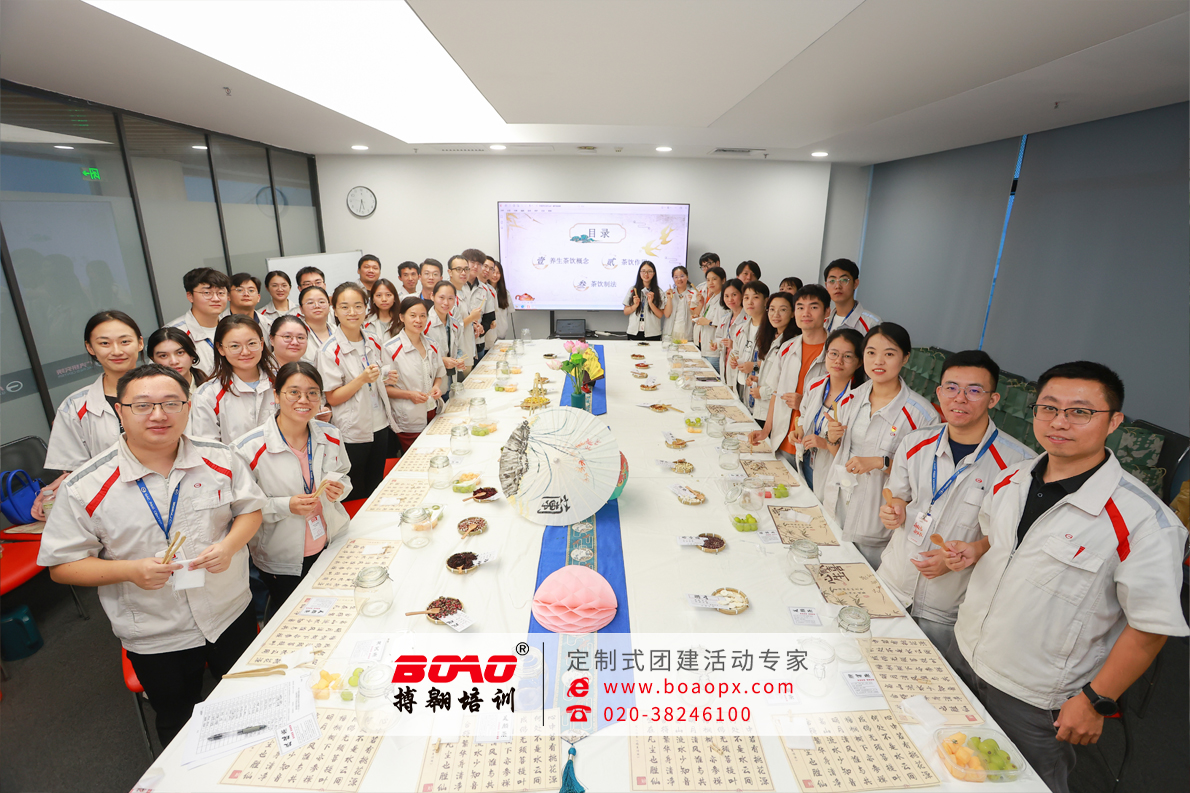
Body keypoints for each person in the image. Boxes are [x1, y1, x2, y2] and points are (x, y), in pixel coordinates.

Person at [944, 361, 1188, 793]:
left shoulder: (1144, 521)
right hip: (964, 651)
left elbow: (1150, 627)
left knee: (1022, 783)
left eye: (1080, 412)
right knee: (953, 765)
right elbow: (1000, 540)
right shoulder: (1010, 479)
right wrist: (976, 549)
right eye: (1049, 408)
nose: (1059, 421)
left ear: (1114, 421)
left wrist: (1095, 700)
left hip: (1034, 695)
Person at [38, 363, 265, 746]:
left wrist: (229, 546)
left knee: (248, 699)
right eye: (143, 405)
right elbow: (62, 566)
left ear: (188, 407)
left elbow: (250, 510)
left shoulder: (220, 458)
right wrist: (129, 571)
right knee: (178, 718)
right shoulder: (85, 486)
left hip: (228, 609)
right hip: (157, 631)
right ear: (120, 411)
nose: (159, 415)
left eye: (171, 403)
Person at [877, 350, 1033, 657]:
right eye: (951, 387)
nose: (959, 398)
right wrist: (894, 508)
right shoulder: (915, 442)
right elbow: (898, 494)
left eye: (974, 390)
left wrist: (972, 552)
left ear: (993, 399)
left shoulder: (1018, 465)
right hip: (894, 580)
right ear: (939, 392)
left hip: (948, 606)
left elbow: (1013, 538)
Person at [232, 361, 350, 617]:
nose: (303, 400)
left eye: (312, 393)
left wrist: (340, 489)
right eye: (294, 392)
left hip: (330, 541)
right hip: (282, 556)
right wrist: (287, 505)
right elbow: (242, 510)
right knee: (293, 614)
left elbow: (344, 474)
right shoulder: (247, 449)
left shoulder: (331, 434)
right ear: (276, 395)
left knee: (333, 608)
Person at [821, 323, 939, 568]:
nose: (878, 361)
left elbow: (924, 478)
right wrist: (832, 439)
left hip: (876, 526)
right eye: (871, 352)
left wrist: (881, 462)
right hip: (836, 507)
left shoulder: (922, 416)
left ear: (905, 358)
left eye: (889, 354)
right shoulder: (851, 397)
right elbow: (838, 454)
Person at [36, 310, 145, 519]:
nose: (116, 351)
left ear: (140, 343)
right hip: (111, 509)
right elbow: (75, 471)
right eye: (104, 343)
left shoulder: (173, 393)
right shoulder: (74, 406)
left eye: (125, 341)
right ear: (90, 348)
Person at [316, 283, 395, 500]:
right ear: (335, 310)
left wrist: (386, 376)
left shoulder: (373, 339)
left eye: (358, 306)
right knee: (355, 490)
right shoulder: (328, 351)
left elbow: (377, 375)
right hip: (353, 430)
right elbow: (332, 397)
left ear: (366, 308)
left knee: (377, 486)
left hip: (380, 424)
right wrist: (361, 379)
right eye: (345, 307)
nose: (352, 312)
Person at [752, 285, 831, 460]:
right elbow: (775, 392)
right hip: (783, 440)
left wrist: (804, 403)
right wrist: (766, 430)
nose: (806, 313)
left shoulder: (834, 353)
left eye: (814, 307)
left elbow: (841, 402)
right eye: (800, 307)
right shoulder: (787, 348)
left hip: (814, 446)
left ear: (827, 311)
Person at [793, 328, 865, 495]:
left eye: (847, 356)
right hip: (807, 462)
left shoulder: (860, 400)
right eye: (833, 354)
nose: (838, 361)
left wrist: (825, 444)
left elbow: (857, 451)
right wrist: (799, 430)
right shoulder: (815, 384)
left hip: (835, 475)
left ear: (859, 362)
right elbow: (804, 415)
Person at [190, 315, 278, 444]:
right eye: (235, 346)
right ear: (221, 349)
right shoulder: (207, 396)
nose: (245, 352)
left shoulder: (283, 382)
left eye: (252, 343)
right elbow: (209, 448)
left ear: (262, 344)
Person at [383, 297, 446, 451]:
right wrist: (410, 395)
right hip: (409, 416)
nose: (418, 320)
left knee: (436, 451)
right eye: (413, 315)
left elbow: (439, 374)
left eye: (423, 316)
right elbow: (385, 388)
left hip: (432, 409)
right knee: (417, 456)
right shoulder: (390, 349)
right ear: (402, 317)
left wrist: (436, 387)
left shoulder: (432, 345)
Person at [166, 267, 230, 376]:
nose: (216, 298)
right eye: (207, 292)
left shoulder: (233, 327)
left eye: (221, 293)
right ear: (190, 296)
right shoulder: (172, 334)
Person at [270, 315, 332, 423]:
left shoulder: (313, 368)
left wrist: (325, 411)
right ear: (272, 339)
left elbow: (323, 401)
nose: (295, 342)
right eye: (287, 337)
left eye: (301, 338)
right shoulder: (258, 370)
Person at [745, 291, 795, 422]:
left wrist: (763, 392)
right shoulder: (771, 337)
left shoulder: (793, 344)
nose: (775, 314)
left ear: (793, 313)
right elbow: (772, 373)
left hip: (776, 411)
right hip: (762, 408)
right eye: (772, 309)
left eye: (783, 310)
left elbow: (788, 383)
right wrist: (758, 378)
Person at [727, 281, 769, 405]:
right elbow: (736, 351)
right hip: (741, 384)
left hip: (760, 389)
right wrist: (734, 359)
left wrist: (754, 366)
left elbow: (775, 363)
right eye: (746, 298)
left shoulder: (771, 331)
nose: (749, 302)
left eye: (755, 297)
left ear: (766, 301)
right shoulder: (742, 328)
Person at [424, 281, 466, 398]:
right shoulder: (424, 324)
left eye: (450, 298)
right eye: (441, 298)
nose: (446, 303)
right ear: (432, 296)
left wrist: (459, 360)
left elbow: (459, 349)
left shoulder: (455, 323)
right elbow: (420, 355)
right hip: (432, 383)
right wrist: (442, 360)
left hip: (451, 380)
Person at [823, 258, 880, 333]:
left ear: (855, 283)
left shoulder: (872, 324)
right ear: (826, 286)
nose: (837, 286)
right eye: (832, 281)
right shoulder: (822, 322)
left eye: (844, 280)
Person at [147, 327, 207, 396]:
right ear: (153, 359)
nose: (174, 361)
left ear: (192, 354)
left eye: (180, 353)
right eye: (163, 356)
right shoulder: (148, 394)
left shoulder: (211, 388)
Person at [446, 255, 481, 368]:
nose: (463, 273)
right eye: (458, 269)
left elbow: (463, 318)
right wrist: (471, 318)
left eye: (466, 269)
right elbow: (450, 327)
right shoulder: (447, 295)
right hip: (457, 356)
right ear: (450, 272)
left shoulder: (464, 290)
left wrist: (473, 325)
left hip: (468, 349)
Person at [693, 266, 727, 371]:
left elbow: (725, 325)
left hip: (715, 352)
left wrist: (708, 322)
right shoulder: (712, 298)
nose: (710, 282)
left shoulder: (724, 300)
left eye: (714, 279)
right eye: (708, 280)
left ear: (723, 280)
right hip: (706, 348)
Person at [623, 261, 665, 340]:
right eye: (643, 271)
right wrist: (635, 305)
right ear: (639, 273)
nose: (646, 274)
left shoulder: (659, 292)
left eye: (649, 271)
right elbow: (626, 312)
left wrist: (651, 303)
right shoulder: (633, 290)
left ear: (654, 273)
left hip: (652, 333)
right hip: (634, 332)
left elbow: (660, 315)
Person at [712, 278, 746, 375]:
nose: (730, 299)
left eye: (734, 295)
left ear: (742, 295)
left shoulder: (747, 319)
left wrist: (733, 345)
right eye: (726, 296)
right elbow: (719, 336)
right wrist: (717, 344)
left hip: (740, 366)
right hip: (725, 363)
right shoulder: (725, 318)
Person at [297, 285, 335, 362]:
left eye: (321, 302)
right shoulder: (296, 334)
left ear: (329, 306)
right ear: (301, 309)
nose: (317, 306)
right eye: (310, 302)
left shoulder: (338, 331)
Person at [663, 266, 699, 343]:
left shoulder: (694, 293)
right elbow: (667, 314)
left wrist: (691, 304)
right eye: (676, 277)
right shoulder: (669, 293)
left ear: (687, 277)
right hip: (671, 334)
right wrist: (669, 298)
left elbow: (696, 315)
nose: (679, 279)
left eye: (682, 276)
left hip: (687, 334)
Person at [487, 259, 516, 340]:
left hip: (501, 335)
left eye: (498, 273)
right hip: (487, 336)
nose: (495, 275)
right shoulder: (484, 291)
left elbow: (508, 313)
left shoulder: (505, 293)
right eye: (493, 272)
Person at [365, 278, 400, 344]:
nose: (384, 299)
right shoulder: (365, 322)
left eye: (388, 295)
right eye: (379, 295)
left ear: (394, 298)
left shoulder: (402, 321)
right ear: (373, 299)